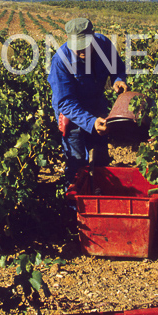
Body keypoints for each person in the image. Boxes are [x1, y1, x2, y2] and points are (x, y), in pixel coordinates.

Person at [47, 17, 127, 195]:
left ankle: (101, 198)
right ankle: (76, 209)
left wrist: (118, 80)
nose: (82, 50)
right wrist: (90, 122)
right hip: (71, 114)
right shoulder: (60, 61)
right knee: (77, 163)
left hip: (97, 106)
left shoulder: (104, 44)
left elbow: (118, 68)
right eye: (78, 46)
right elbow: (65, 103)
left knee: (101, 159)